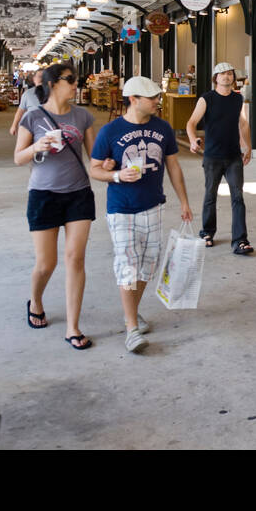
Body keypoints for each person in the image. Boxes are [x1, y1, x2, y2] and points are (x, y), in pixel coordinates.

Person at [90, 76, 193, 353]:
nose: (158, 102)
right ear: (134, 99)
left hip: (153, 206)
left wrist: (184, 201)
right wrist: (116, 175)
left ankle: (130, 313)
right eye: (153, 98)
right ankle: (132, 329)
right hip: (121, 208)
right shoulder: (110, 132)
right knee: (127, 264)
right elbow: (94, 168)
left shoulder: (163, 129)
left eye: (158, 97)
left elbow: (173, 167)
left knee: (148, 264)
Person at [13, 62, 97, 350]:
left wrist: (109, 165)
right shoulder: (34, 118)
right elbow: (18, 158)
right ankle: (35, 300)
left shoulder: (83, 116)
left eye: (77, 79)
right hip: (43, 195)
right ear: (52, 84)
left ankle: (73, 327)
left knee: (75, 258)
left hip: (79, 194)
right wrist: (38, 147)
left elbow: (94, 156)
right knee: (46, 263)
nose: (76, 84)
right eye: (70, 80)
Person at [187, 62, 252, 253]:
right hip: (212, 157)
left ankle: (240, 241)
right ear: (215, 78)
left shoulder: (237, 99)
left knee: (238, 197)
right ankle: (207, 232)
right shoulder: (206, 99)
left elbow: (243, 124)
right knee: (210, 196)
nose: (226, 76)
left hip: (233, 157)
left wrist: (247, 145)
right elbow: (191, 123)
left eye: (230, 73)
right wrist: (192, 140)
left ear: (234, 77)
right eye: (222, 74)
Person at [9, 68, 43, 136]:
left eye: (44, 77)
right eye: (39, 76)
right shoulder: (27, 94)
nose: (42, 79)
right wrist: (14, 125)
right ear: (34, 79)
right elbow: (20, 111)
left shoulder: (55, 93)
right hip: (32, 128)